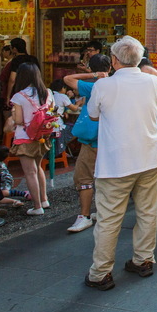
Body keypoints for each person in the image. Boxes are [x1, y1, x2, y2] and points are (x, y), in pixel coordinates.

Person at [84, 36, 157, 290]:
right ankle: (143, 259)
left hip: (116, 162)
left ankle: (101, 273)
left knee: (109, 218)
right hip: (149, 156)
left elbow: (93, 114)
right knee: (147, 211)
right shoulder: (153, 81)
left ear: (114, 60)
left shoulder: (104, 85)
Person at [63, 54, 112, 233]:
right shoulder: (115, 84)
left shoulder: (92, 86)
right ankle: (103, 212)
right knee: (105, 178)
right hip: (110, 139)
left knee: (84, 177)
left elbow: (68, 79)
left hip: (92, 140)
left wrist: (92, 75)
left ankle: (84, 215)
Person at [9, 63, 53, 215]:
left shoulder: (18, 96)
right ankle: (44, 199)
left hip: (25, 137)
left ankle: (37, 207)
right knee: (38, 167)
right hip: (42, 136)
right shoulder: (47, 93)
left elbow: (19, 120)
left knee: (30, 172)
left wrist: (13, 115)